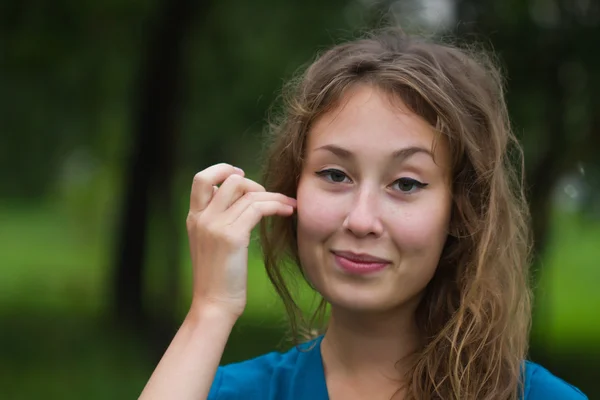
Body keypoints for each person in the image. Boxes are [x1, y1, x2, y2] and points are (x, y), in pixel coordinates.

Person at [139, 29, 588, 399]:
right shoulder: (222, 391)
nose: (360, 219)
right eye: (335, 175)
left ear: (460, 211)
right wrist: (210, 311)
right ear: (291, 186)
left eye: (406, 184)